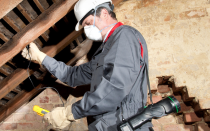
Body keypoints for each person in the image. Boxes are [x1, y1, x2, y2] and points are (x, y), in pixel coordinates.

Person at [22, 0, 153, 130]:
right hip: (107, 125)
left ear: (105, 13)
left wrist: (69, 113)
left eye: (88, 23)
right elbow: (71, 75)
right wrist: (40, 57)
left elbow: (114, 89)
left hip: (124, 124)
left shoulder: (124, 36)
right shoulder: (104, 51)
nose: (87, 30)